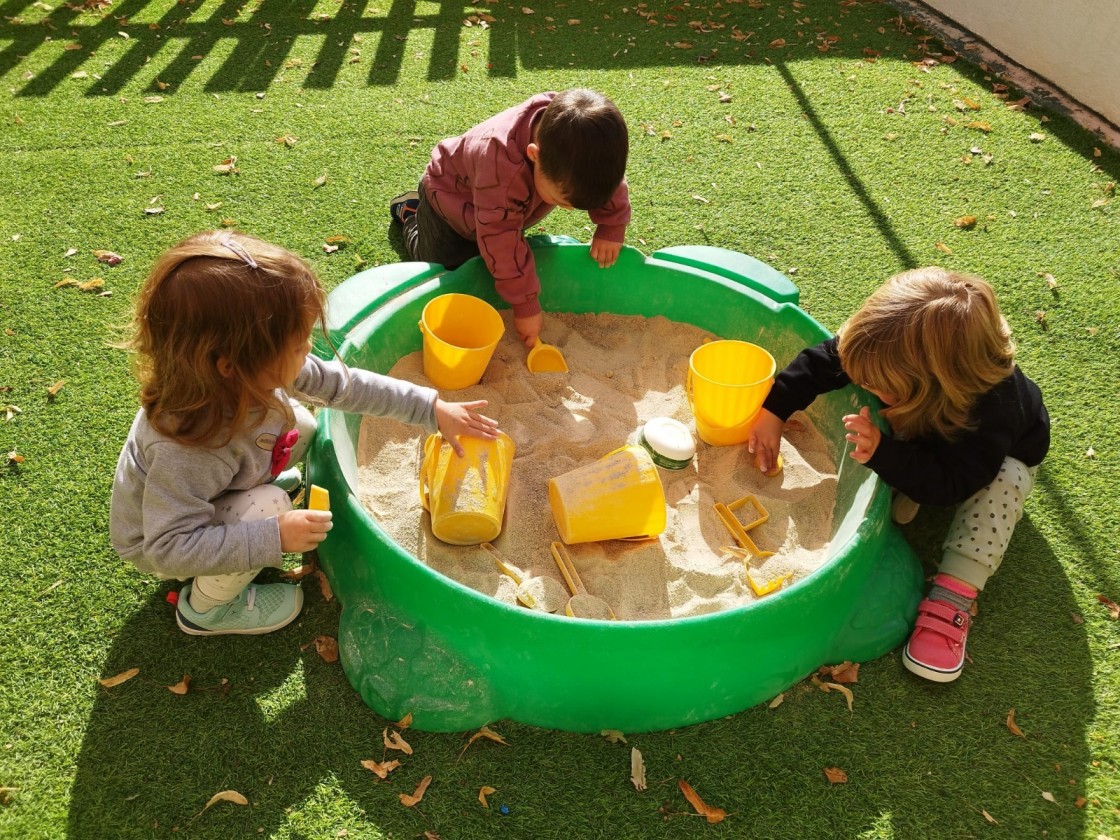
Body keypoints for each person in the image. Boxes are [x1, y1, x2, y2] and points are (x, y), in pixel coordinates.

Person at [110, 231, 501, 636]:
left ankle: (245, 494)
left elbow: (345, 386)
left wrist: (430, 408)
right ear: (231, 365)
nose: (307, 351)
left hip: (206, 488)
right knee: (272, 505)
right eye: (298, 346)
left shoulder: (248, 374)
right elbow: (169, 547)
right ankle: (205, 610)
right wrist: (274, 536)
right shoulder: (188, 447)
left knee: (301, 424)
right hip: (161, 539)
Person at [749, 268, 1049, 683]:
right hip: (926, 431)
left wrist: (885, 454)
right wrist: (774, 410)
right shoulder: (891, 351)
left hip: (981, 468)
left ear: (934, 384)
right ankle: (905, 477)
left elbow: (952, 485)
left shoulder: (992, 414)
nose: (862, 380)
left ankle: (952, 598)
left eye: (875, 381)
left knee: (1002, 487)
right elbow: (822, 363)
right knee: (868, 397)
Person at [389, 88, 631, 349]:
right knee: (444, 266)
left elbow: (606, 178)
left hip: (499, 208)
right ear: (534, 155)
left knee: (494, 255)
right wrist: (525, 304)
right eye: (562, 201)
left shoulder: (579, 137)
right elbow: (500, 239)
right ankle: (412, 214)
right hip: (450, 205)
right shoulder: (500, 165)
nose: (569, 210)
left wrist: (611, 224)